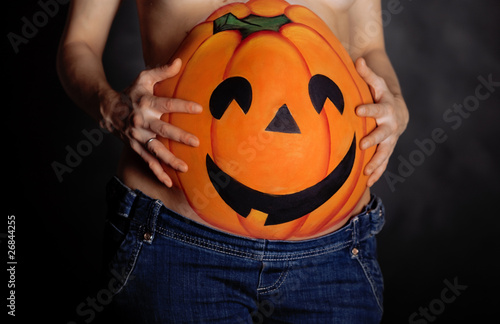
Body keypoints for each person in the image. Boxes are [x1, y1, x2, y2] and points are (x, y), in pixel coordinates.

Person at [57, 0, 409, 323]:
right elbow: (78, 45)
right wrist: (112, 107)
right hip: (175, 246)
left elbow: (368, 48)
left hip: (336, 253)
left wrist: (395, 103)